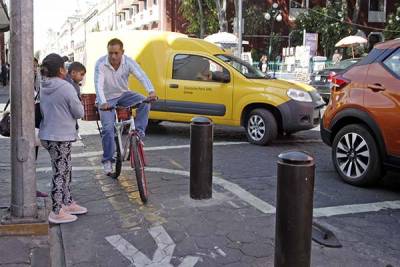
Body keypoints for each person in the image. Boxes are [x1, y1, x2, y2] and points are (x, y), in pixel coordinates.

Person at [94, 38, 156, 175]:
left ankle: (139, 134)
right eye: (110, 53)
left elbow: (141, 75)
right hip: (106, 99)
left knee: (145, 102)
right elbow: (98, 85)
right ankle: (107, 160)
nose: (113, 56)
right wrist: (103, 102)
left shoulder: (128, 61)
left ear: (122, 52)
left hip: (123, 94)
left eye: (116, 53)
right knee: (108, 129)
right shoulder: (100, 64)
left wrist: (151, 91)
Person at [39, 53, 87, 224]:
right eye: (64, 67)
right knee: (61, 172)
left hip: (48, 134)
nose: (67, 69)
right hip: (61, 135)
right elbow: (79, 112)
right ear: (60, 70)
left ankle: (67, 202)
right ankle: (57, 210)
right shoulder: (66, 87)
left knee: (64, 169)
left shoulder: (43, 85)